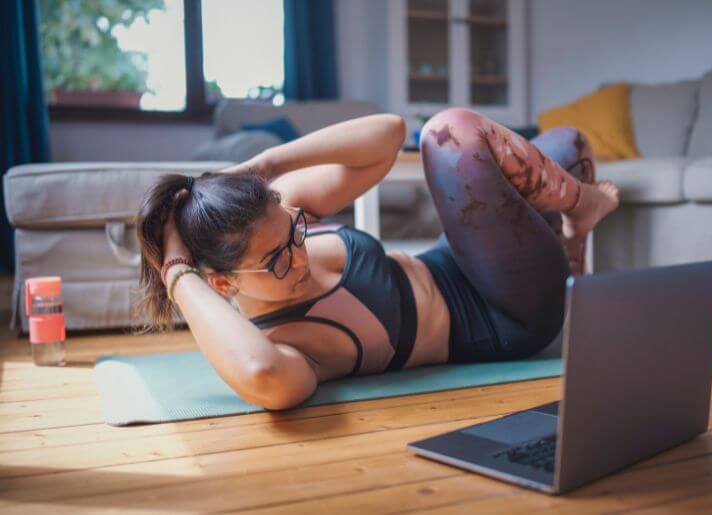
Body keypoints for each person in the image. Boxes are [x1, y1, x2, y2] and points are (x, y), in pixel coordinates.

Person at [135, 108, 619, 410]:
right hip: (506, 316)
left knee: (565, 149)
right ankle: (580, 215)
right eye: (278, 262)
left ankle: (571, 242)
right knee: (450, 132)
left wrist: (265, 166)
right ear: (223, 285)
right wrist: (176, 269)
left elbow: (388, 135)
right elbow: (262, 376)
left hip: (461, 261)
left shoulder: (274, 222)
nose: (298, 258)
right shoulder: (287, 345)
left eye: (296, 235)